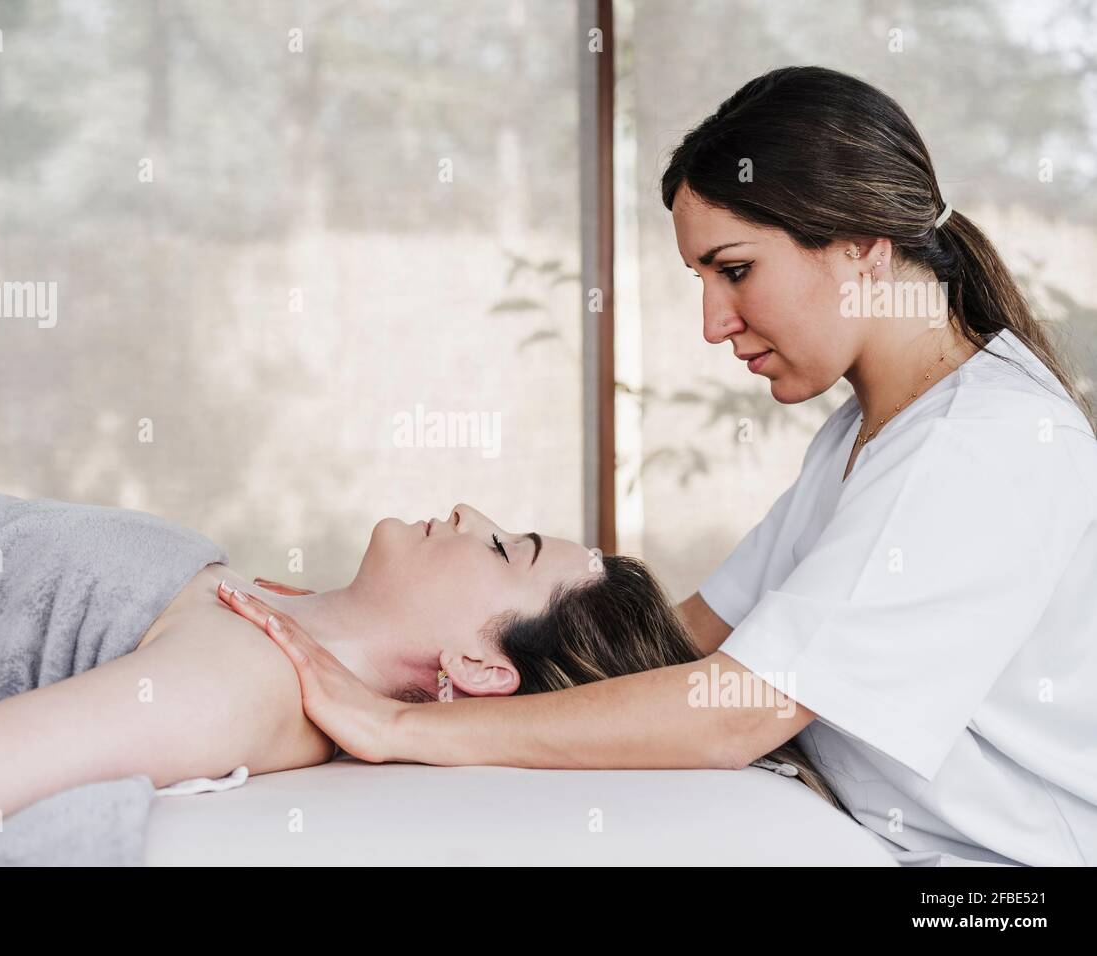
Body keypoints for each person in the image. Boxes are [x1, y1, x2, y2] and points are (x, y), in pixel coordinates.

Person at [220, 66, 1097, 867]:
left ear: (863, 247)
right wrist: (365, 641)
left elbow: (743, 708)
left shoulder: (986, 445)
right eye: (701, 279)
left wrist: (398, 727)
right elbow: (688, 641)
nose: (714, 323)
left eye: (737, 270)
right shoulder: (867, 435)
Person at [0, 491, 835, 864]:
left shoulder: (240, 682)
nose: (469, 509)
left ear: (477, 664)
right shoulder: (265, 612)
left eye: (506, 548)